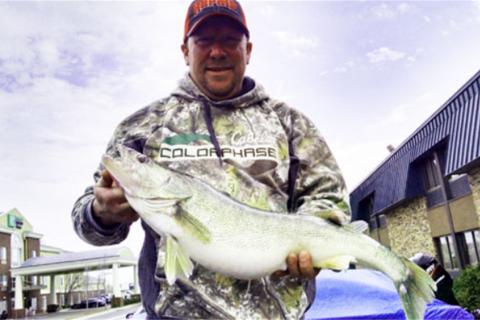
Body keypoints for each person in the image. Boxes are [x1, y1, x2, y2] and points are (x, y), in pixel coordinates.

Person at [72, 0, 350, 318]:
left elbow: (329, 199)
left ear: (248, 50)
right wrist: (101, 213)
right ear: (185, 50)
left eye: (230, 40)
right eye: (204, 40)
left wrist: (310, 244)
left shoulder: (290, 123)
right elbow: (85, 223)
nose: (217, 51)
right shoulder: (143, 126)